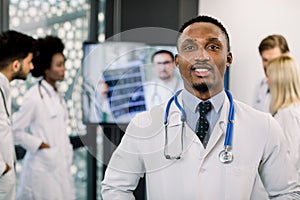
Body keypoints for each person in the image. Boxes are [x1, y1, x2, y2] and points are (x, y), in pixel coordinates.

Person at [101, 15, 300, 199]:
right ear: (178, 62)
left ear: (228, 59)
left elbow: (287, 193)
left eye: (213, 47)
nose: (202, 56)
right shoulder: (144, 124)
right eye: (190, 48)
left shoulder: (262, 126)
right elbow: (115, 187)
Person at [13, 36, 75, 199]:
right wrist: (40, 144)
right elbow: (15, 131)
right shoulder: (34, 97)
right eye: (59, 65)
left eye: (64, 64)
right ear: (46, 69)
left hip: (59, 166)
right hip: (42, 167)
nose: (64, 69)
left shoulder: (58, 95)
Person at [95, 50, 183, 123]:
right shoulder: (146, 87)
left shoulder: (185, 87)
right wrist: (105, 95)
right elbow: (116, 111)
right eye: (158, 63)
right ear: (153, 66)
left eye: (166, 63)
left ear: (174, 64)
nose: (162, 67)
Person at [0, 30, 36, 200]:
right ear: (16, 65)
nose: (32, 67)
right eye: (29, 62)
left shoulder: (4, 89)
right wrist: (3, 168)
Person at [266, 56, 300, 176]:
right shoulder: (294, 109)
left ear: (278, 81)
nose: (267, 81)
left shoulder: (287, 114)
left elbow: (290, 159)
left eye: (268, 76)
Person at [253, 34, 290, 112]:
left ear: (287, 56)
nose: (269, 66)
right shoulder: (261, 85)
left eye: (274, 60)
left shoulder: (294, 89)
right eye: (265, 60)